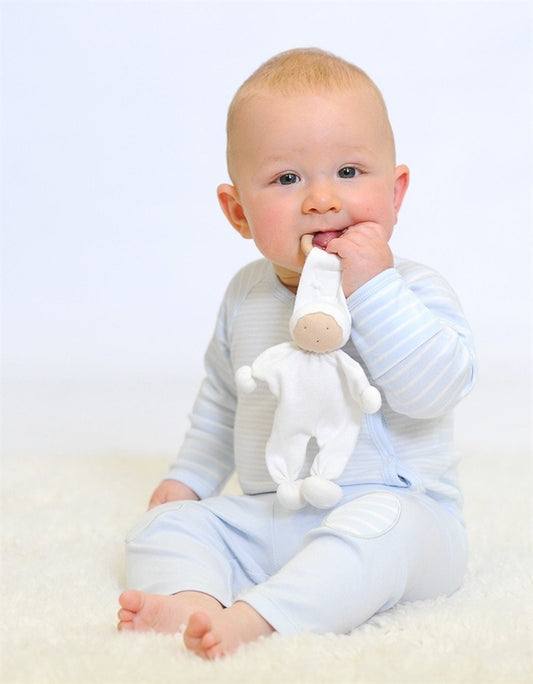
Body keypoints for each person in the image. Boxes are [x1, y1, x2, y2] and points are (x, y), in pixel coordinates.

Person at [117, 47, 476, 659]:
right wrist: (189, 480)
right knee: (164, 526)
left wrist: (373, 288)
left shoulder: (413, 289)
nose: (321, 199)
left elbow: (434, 392)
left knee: (383, 533)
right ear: (238, 212)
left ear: (396, 193)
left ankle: (260, 618)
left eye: (349, 171)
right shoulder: (246, 295)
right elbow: (222, 401)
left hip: (403, 514)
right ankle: (196, 601)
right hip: (273, 517)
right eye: (287, 179)